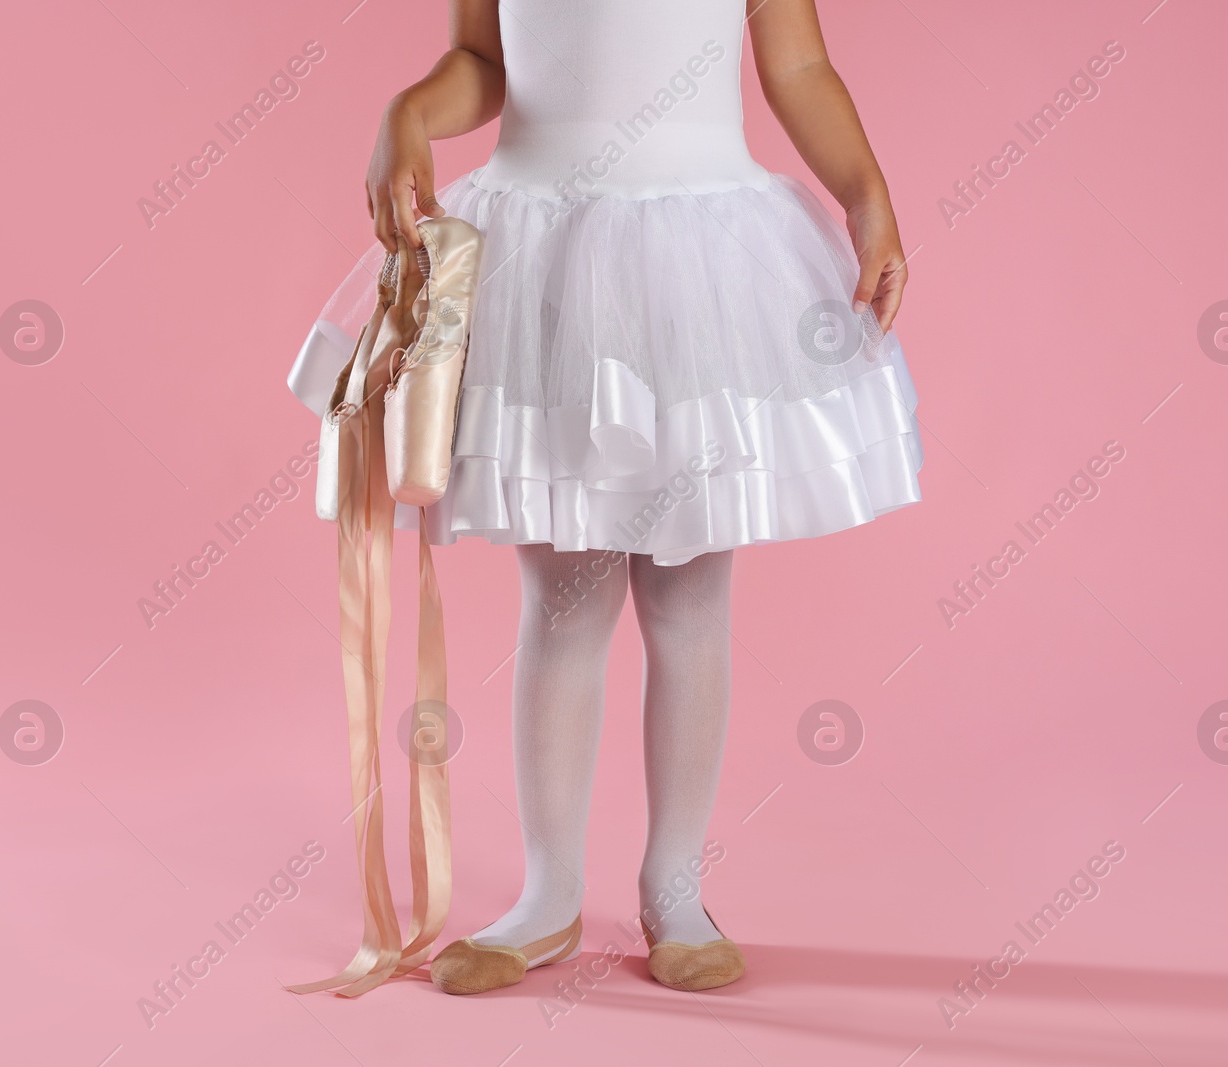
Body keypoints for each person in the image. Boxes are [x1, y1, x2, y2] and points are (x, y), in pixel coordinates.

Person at [347, 0, 923, 994]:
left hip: (698, 261)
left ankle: (675, 886)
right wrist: (410, 109)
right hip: (544, 254)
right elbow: (483, 61)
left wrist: (864, 191)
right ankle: (549, 893)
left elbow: (795, 67)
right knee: (563, 599)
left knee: (689, 596)